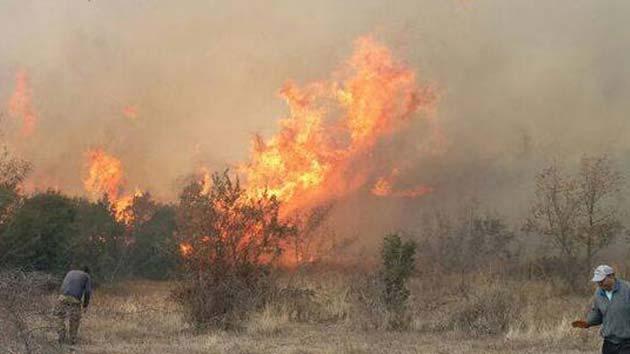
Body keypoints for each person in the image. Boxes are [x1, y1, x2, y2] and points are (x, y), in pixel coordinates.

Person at [572, 265, 630, 354]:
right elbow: (597, 313)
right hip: (609, 342)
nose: (599, 284)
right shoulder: (598, 293)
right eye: (597, 281)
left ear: (612, 276)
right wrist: (588, 322)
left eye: (602, 280)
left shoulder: (627, 289)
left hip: (627, 341)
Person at [54, 266, 92, 345]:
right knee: (74, 319)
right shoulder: (86, 276)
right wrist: (85, 305)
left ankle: (61, 334)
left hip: (62, 297)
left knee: (59, 316)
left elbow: (63, 285)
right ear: (87, 272)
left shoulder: (70, 272)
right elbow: (88, 292)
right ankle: (72, 340)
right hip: (75, 299)